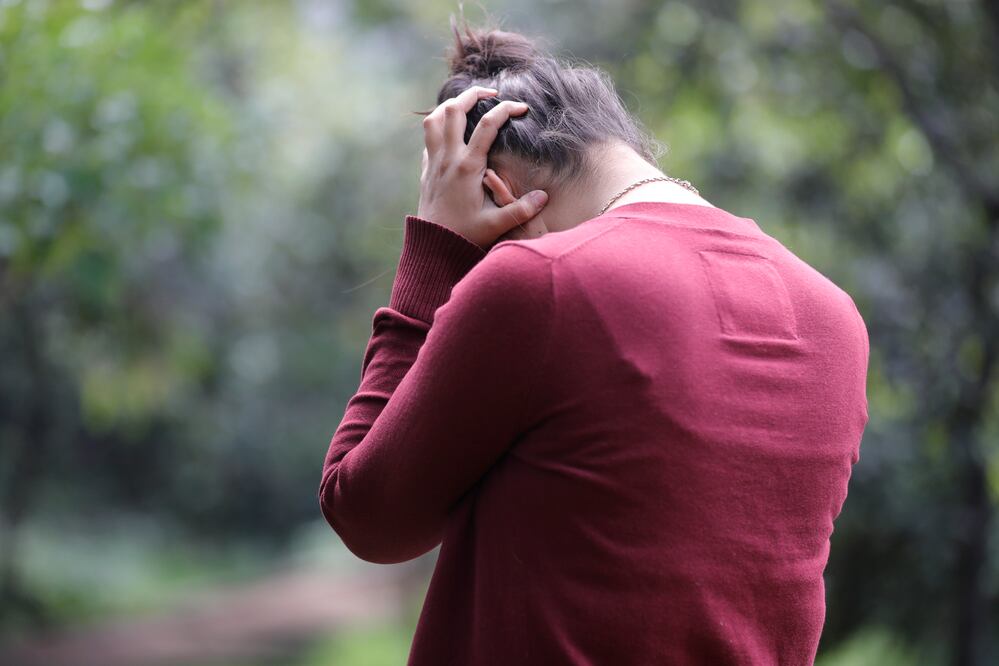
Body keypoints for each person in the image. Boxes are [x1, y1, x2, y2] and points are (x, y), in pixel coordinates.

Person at [319, 14, 870, 666]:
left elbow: (367, 515)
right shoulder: (834, 318)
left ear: (494, 191)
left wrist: (434, 254)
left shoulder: (539, 284)